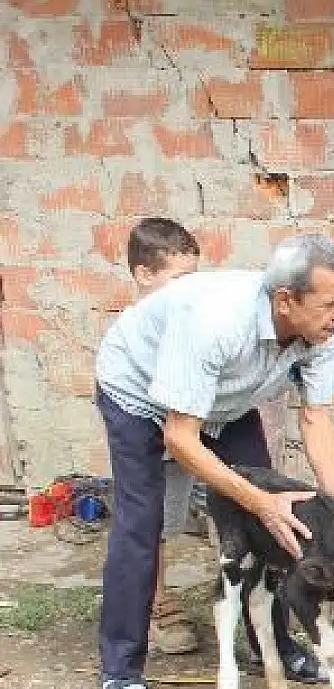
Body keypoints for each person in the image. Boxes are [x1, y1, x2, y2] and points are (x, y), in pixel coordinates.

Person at [92, 234, 334, 689]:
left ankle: (274, 647)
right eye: (331, 303)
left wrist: (331, 496)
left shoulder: (323, 327)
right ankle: (121, 666)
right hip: (137, 393)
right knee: (143, 520)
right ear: (285, 301)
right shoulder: (217, 322)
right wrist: (257, 500)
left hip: (226, 399)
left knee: (273, 520)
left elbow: (316, 414)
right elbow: (180, 437)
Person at [122, 218, 204, 656]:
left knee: (174, 515)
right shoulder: (136, 327)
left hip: (189, 428)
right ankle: (155, 603)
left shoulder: (189, 318)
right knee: (151, 520)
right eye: (179, 279)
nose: (189, 290)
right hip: (147, 429)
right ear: (144, 275)